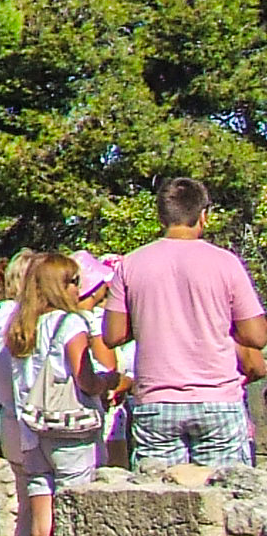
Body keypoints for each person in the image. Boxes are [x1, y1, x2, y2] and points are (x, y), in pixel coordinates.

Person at [104, 176, 266, 468]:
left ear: (160, 216)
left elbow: (112, 335)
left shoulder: (131, 263)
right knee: (224, 498)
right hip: (217, 397)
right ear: (204, 215)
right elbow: (257, 336)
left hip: (156, 399)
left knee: (159, 500)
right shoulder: (225, 262)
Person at [2, 252, 112, 536]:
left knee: (40, 531)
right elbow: (85, 377)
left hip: (31, 433)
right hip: (70, 433)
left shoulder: (18, 327)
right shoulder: (70, 324)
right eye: (71, 281)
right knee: (68, 529)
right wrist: (111, 381)